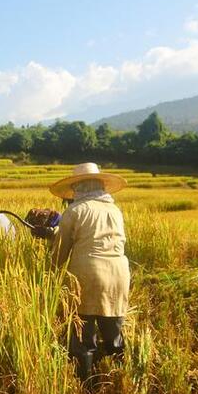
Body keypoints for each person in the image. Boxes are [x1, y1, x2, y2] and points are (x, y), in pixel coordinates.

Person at [48, 163, 131, 381]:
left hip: (87, 274)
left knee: (83, 336)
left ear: (80, 187)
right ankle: (120, 382)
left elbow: (60, 251)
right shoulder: (115, 210)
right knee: (113, 333)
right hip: (120, 273)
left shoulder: (74, 211)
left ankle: (87, 387)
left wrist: (49, 274)